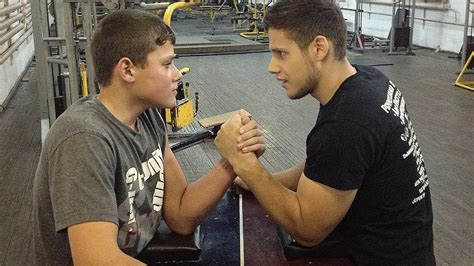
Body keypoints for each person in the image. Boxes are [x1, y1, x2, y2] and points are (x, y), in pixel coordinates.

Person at [32, 9, 264, 265]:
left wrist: (232, 159)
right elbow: (96, 259)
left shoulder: (149, 117)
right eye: (167, 64)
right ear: (128, 70)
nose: (177, 74)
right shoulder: (84, 138)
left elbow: (180, 214)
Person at [215, 0, 435, 264]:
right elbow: (325, 168)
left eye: (281, 54)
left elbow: (307, 229)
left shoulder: (347, 123)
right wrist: (261, 182)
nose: (272, 67)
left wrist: (244, 164)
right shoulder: (368, 80)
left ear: (319, 48)